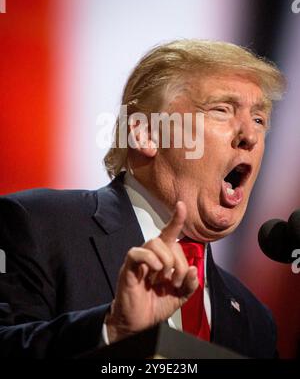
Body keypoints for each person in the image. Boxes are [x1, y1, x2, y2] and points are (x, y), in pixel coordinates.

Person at [0, 39, 286, 358]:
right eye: (221, 110)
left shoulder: (254, 318)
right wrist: (112, 330)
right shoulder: (38, 224)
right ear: (146, 133)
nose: (250, 136)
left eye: (260, 120)